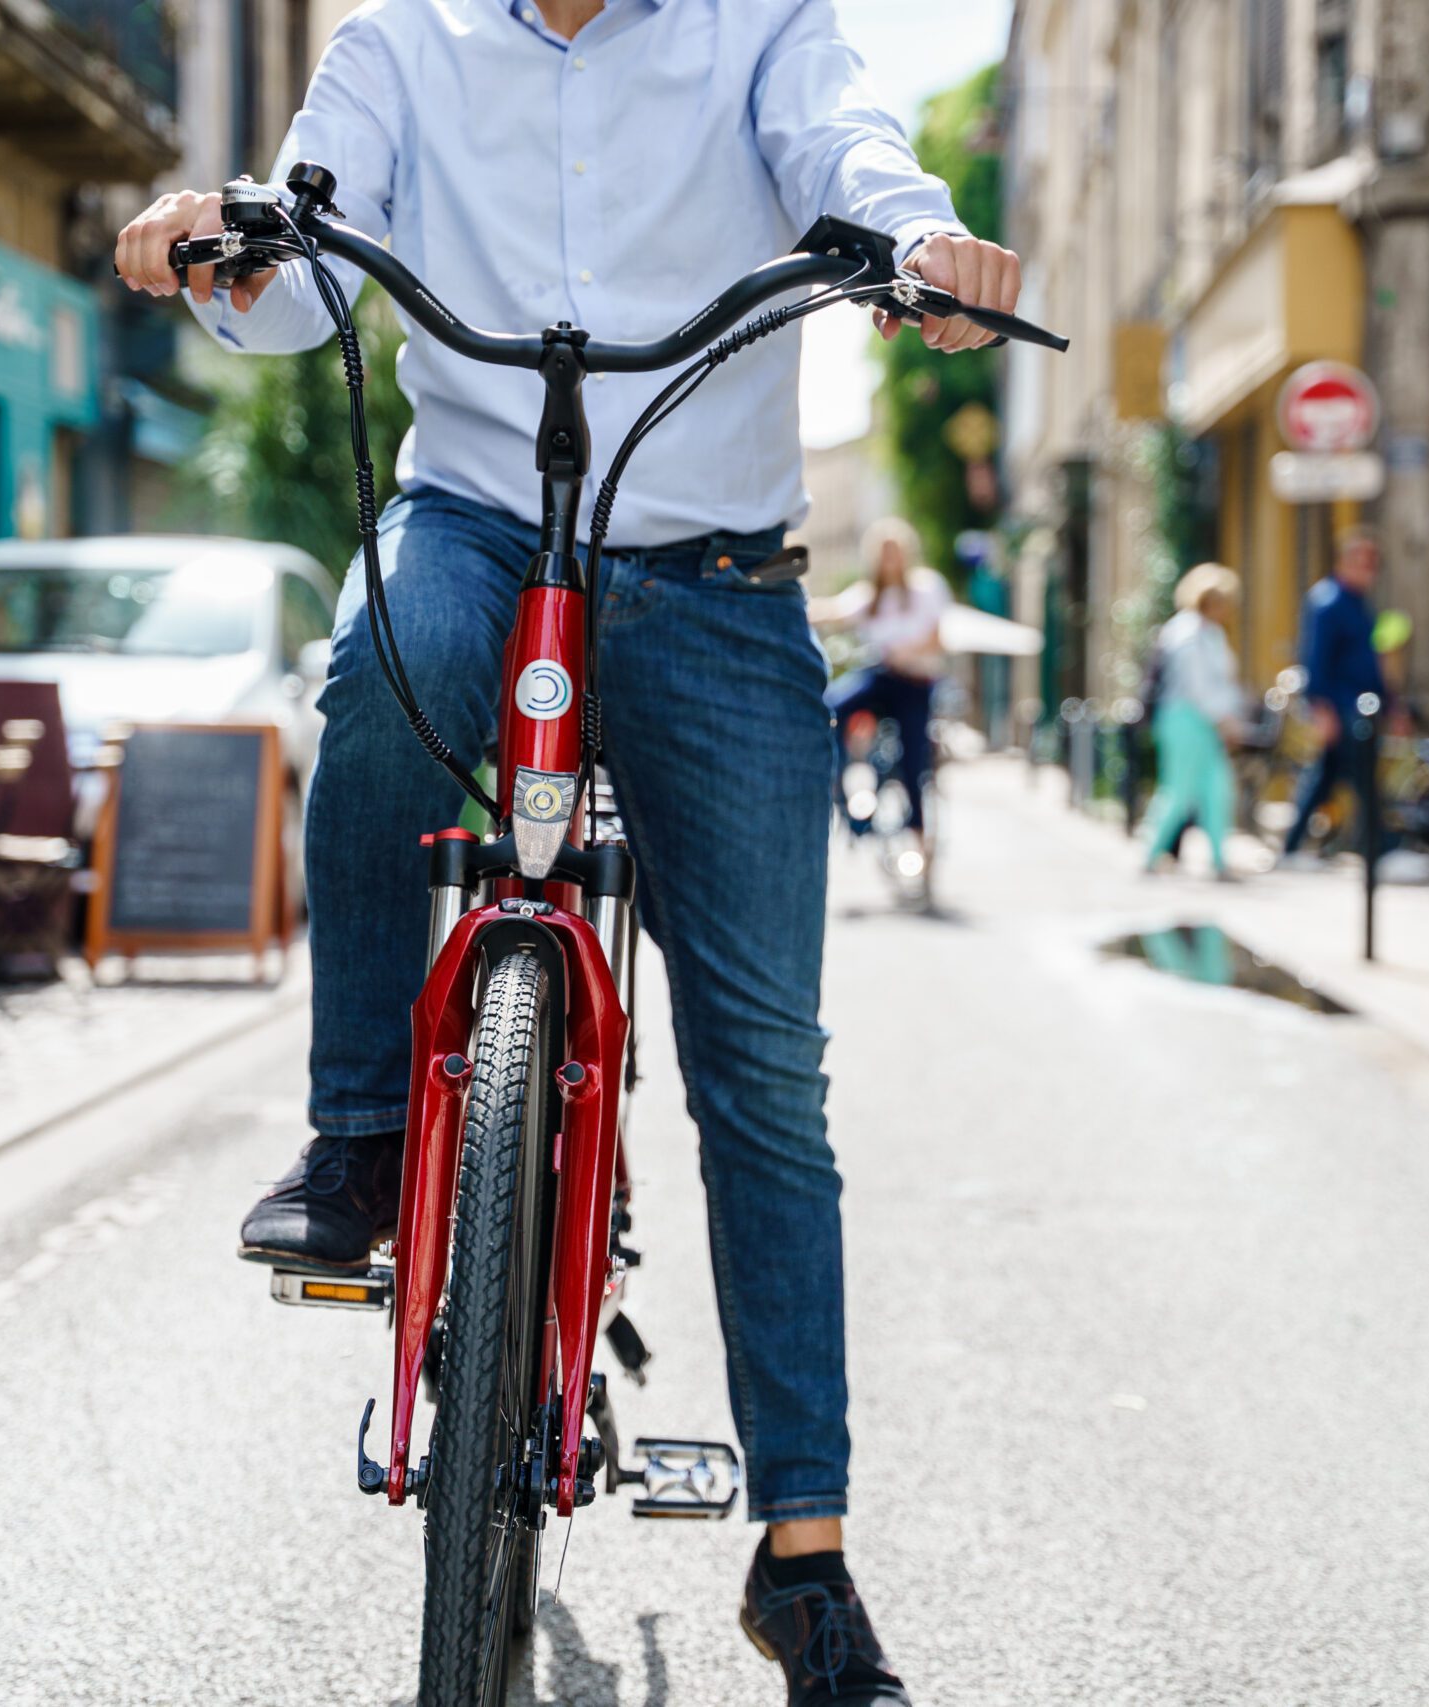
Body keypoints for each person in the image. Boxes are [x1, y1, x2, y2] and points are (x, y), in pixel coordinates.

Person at [115, 5, 1024, 1698]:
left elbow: (849, 151)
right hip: (474, 513)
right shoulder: (402, 41)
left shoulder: (765, 25)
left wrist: (916, 246)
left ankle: (805, 1557)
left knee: (763, 1065)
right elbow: (316, 232)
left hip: (714, 573)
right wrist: (229, 236)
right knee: (383, 674)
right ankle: (366, 1137)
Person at [817, 518, 948, 878]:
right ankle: (839, 789)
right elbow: (833, 611)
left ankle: (920, 837)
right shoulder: (869, 595)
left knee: (912, 759)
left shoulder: (926, 588)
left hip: (914, 681)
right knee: (828, 710)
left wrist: (906, 651)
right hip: (879, 675)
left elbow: (937, 637)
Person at [1279, 528, 1400, 863]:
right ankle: (1382, 848)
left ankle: (1292, 847)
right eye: (1362, 562)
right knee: (1361, 777)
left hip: (1362, 707)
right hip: (1343, 708)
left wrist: (1391, 703)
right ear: (1344, 562)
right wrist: (1321, 709)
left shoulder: (1359, 603)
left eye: (1373, 563)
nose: (1368, 570)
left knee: (1328, 776)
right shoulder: (1327, 600)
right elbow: (1315, 659)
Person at [1140, 563, 1246, 878]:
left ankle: (1218, 860)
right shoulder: (1188, 632)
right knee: (1178, 790)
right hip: (1186, 721)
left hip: (1204, 723)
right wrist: (1225, 720)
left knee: (1217, 789)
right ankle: (1149, 853)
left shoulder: (1207, 632)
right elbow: (1197, 685)